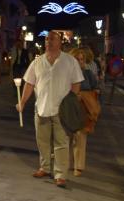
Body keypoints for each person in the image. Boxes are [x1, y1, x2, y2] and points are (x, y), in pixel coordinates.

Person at [16, 31, 84, 188]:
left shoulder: (70, 61)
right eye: (47, 39)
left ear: (60, 42)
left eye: (52, 39)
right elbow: (29, 84)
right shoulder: (37, 62)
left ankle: (60, 175)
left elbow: (76, 83)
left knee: (61, 143)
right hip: (41, 107)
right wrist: (23, 102)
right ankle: (45, 168)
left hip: (61, 110)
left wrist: (70, 102)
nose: (49, 41)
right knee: (43, 141)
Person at [69, 48, 100, 177]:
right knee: (68, 136)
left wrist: (88, 95)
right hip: (69, 108)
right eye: (77, 59)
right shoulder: (67, 73)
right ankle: (67, 163)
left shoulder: (88, 74)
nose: (80, 61)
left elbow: (96, 89)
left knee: (81, 137)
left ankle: (78, 166)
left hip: (83, 109)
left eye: (81, 59)